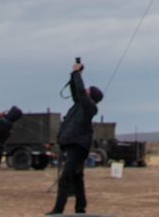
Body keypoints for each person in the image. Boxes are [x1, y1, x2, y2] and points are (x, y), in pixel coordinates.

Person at [49, 61, 102, 216]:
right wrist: (74, 75)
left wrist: (78, 74)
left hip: (78, 147)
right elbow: (76, 90)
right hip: (75, 146)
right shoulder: (81, 104)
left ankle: (58, 209)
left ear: (90, 96)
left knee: (65, 177)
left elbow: (79, 90)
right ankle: (81, 208)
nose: (85, 90)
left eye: (88, 90)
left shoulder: (89, 107)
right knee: (77, 177)